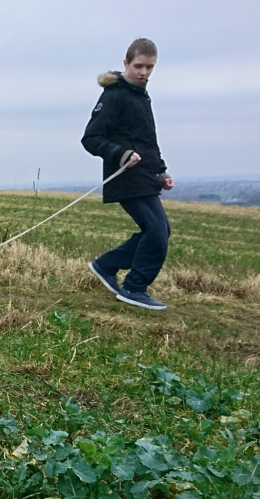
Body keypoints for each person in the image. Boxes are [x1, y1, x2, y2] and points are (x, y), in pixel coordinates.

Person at [82, 37, 174, 311]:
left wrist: (161, 170)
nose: (144, 73)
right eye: (138, 66)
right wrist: (120, 154)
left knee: (160, 231)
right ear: (126, 63)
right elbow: (91, 139)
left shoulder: (141, 96)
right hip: (124, 176)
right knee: (156, 233)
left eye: (149, 67)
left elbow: (147, 141)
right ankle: (134, 287)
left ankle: (106, 265)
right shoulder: (114, 95)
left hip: (145, 177)